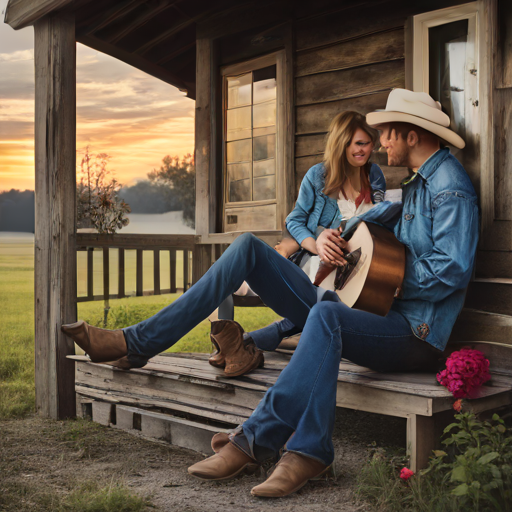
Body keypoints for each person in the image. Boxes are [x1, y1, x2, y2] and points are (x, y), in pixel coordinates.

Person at [62, 88, 479, 498]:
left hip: (415, 333)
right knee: (248, 248)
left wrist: (391, 279)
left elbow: (452, 269)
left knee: (327, 315)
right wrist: (338, 241)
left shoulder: (449, 186)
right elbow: (388, 231)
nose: (381, 141)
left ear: (411, 135)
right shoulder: (418, 182)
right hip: (375, 309)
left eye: (387, 132)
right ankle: (136, 343)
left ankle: (266, 442)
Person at [210, 111, 386, 376]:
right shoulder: (318, 176)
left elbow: (378, 220)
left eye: (364, 143)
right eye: (351, 143)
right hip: (317, 260)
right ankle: (250, 340)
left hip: (355, 262)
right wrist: (317, 243)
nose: (358, 150)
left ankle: (248, 342)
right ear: (340, 144)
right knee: (325, 292)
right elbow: (294, 220)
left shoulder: (375, 176)